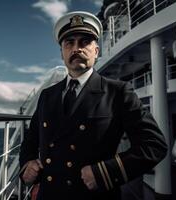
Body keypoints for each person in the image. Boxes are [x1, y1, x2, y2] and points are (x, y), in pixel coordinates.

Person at [19, 11, 167, 200]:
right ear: (62, 53)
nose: (76, 48)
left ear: (96, 51)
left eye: (84, 42)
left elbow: (154, 145)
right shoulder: (48, 95)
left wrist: (104, 172)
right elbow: (31, 139)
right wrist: (27, 163)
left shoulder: (118, 92)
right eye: (69, 43)